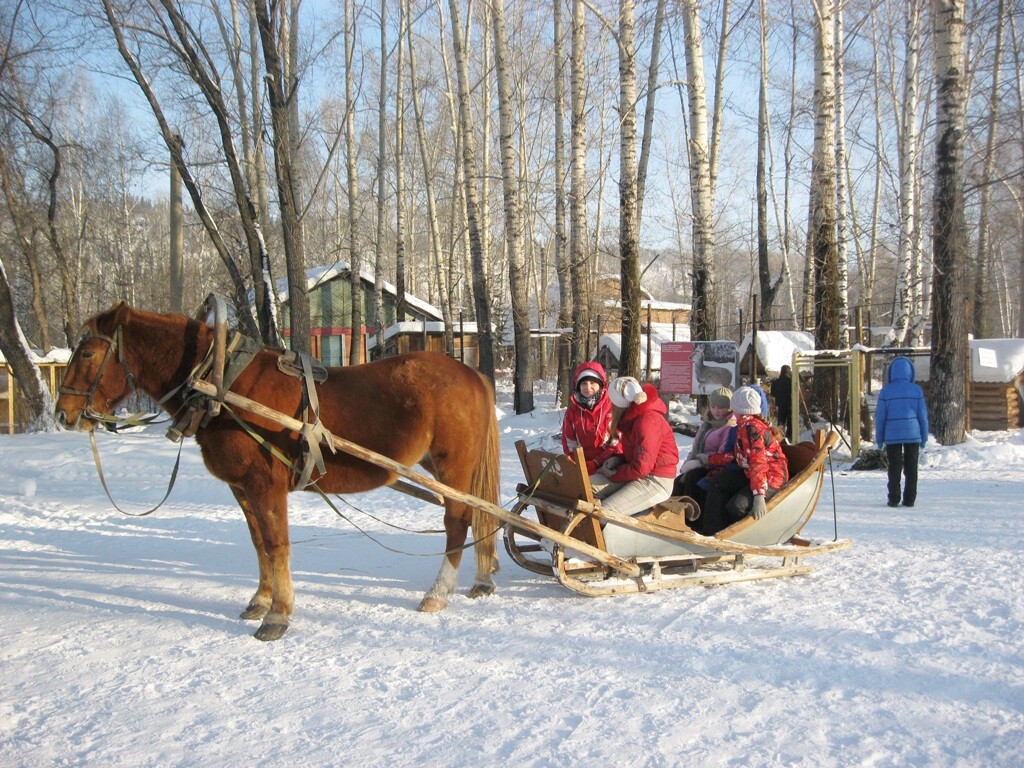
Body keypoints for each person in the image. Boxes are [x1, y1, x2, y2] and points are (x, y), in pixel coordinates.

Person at [694, 386, 789, 536]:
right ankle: (712, 531)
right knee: (718, 482)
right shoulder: (744, 425)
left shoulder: (752, 429)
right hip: (751, 473)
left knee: (737, 506)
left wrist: (759, 495)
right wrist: (711, 459)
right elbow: (738, 455)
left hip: (771, 477)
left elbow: (759, 463)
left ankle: (742, 534)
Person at [591, 377, 679, 517]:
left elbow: (642, 466)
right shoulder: (632, 419)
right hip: (636, 474)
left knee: (604, 512)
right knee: (586, 486)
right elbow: (636, 454)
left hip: (655, 481)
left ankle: (638, 515)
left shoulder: (648, 420)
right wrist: (617, 460)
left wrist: (614, 474)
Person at [875, 356, 929, 508]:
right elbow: (922, 417)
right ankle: (910, 499)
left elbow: (880, 418)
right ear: (910, 372)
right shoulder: (916, 390)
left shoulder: (886, 391)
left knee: (894, 467)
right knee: (912, 468)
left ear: (891, 373)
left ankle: (893, 498)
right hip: (913, 434)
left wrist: (879, 438)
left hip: (892, 436)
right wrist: (924, 436)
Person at [673, 386, 735, 509]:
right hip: (699, 463)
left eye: (721, 408)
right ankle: (672, 514)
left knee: (693, 479)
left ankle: (689, 515)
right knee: (678, 482)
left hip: (713, 467)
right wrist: (688, 463)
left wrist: (700, 462)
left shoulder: (730, 427)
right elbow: (695, 446)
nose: (716, 411)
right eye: (713, 407)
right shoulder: (707, 424)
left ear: (729, 409)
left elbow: (723, 453)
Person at [561, 361, 618, 474]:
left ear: (601, 385)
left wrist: (597, 462)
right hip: (582, 463)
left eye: (593, 383)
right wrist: (575, 461)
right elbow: (569, 439)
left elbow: (617, 440)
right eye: (583, 383)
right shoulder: (573, 410)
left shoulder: (612, 407)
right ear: (578, 386)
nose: (588, 387)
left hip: (609, 461)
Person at [771, 365, 794, 442]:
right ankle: (789, 438)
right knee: (790, 423)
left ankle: (780, 438)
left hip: (780, 404)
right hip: (790, 404)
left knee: (781, 422)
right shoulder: (792, 381)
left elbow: (773, 393)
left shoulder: (776, 382)